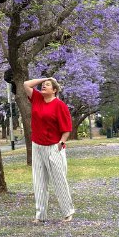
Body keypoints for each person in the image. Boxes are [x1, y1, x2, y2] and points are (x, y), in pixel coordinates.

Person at [23, 76, 75, 224]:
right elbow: (26, 84)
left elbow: (66, 129)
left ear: (54, 90)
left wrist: (61, 143)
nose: (43, 87)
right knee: (39, 182)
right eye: (43, 85)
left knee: (59, 180)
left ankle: (68, 212)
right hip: (37, 146)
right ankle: (40, 215)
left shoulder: (59, 105)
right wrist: (45, 78)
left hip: (54, 146)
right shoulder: (37, 98)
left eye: (47, 85)